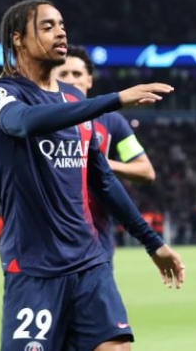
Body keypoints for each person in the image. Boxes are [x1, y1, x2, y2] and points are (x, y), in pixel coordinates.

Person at [0, 0, 185, 351]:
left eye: (62, 25)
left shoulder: (74, 99)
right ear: (17, 38)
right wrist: (114, 100)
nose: (60, 32)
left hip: (89, 263)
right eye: (47, 26)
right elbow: (23, 123)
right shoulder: (0, 93)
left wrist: (153, 242)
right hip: (34, 266)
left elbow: (102, 180)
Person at [53, 45, 157, 257]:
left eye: (77, 74)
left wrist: (100, 162)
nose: (71, 80)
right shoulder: (41, 119)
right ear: (51, 78)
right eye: (63, 74)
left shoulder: (111, 122)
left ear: (89, 80)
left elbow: (146, 171)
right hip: (51, 238)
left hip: (97, 241)